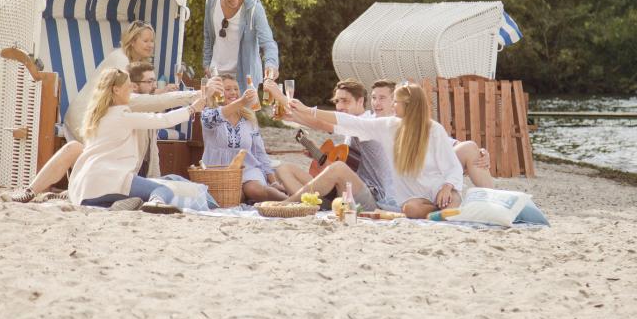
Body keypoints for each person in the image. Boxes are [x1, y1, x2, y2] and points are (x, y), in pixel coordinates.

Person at [286, 83, 464, 219]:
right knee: (411, 209)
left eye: (396, 102)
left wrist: (448, 187)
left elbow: (453, 167)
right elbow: (349, 122)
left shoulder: (434, 130)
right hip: (416, 201)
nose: (392, 105)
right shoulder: (389, 126)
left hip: (441, 191)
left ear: (409, 105)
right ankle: (438, 215)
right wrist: (309, 111)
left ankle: (446, 211)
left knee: (454, 202)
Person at [67, 68, 212, 210]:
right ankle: (155, 202)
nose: (131, 88)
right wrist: (192, 109)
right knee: (164, 190)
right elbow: (163, 119)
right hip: (111, 180)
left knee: (132, 195)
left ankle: (120, 205)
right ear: (116, 90)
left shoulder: (95, 118)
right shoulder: (122, 116)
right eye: (128, 85)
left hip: (85, 189)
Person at [267, 79, 396, 213]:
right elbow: (350, 163)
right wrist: (293, 118)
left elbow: (321, 124)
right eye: (374, 98)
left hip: (371, 198)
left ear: (360, 101)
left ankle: (290, 204)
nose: (339, 106)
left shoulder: (370, 123)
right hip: (345, 190)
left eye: (345, 101)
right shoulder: (356, 126)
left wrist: (282, 98)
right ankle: (308, 205)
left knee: (338, 168)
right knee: (284, 169)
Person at [368, 78, 495, 188]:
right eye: (373, 98)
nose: (376, 103)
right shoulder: (368, 124)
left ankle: (495, 201)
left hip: (428, 173)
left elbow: (450, 144)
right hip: (407, 182)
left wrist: (481, 153)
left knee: (470, 148)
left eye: (382, 98)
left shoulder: (413, 122)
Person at [200, 74, 285, 203]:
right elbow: (214, 117)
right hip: (220, 172)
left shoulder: (248, 118)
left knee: (255, 190)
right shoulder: (208, 113)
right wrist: (242, 102)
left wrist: (273, 182)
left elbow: (259, 152)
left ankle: (292, 201)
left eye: (236, 89)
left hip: (248, 169)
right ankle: (246, 198)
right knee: (235, 196)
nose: (233, 92)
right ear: (217, 92)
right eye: (227, 89)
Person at [202, 0, 279, 92]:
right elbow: (207, 34)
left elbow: (268, 43)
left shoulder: (254, 8)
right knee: (213, 112)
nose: (236, 0)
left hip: (244, 79)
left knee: (243, 113)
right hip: (215, 75)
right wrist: (206, 64)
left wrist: (271, 65)